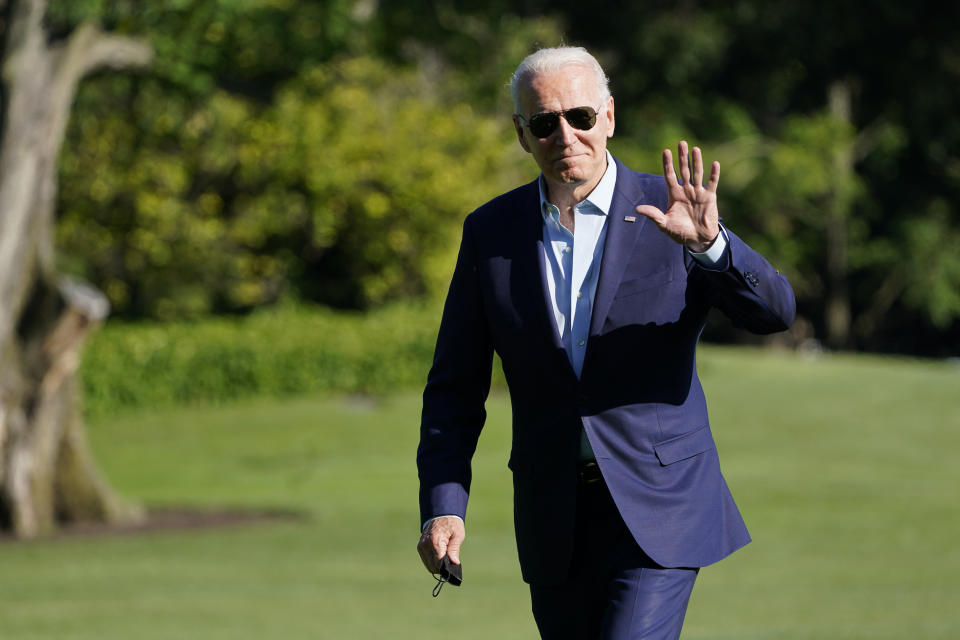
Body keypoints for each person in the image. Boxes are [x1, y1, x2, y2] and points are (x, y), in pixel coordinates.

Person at [416, 46, 795, 639]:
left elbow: (776, 312)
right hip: (553, 517)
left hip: (659, 505)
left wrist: (710, 246)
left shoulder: (673, 208)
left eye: (581, 117)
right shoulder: (490, 232)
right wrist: (444, 503)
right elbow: (454, 388)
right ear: (522, 134)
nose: (564, 135)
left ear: (610, 116)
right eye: (544, 123)